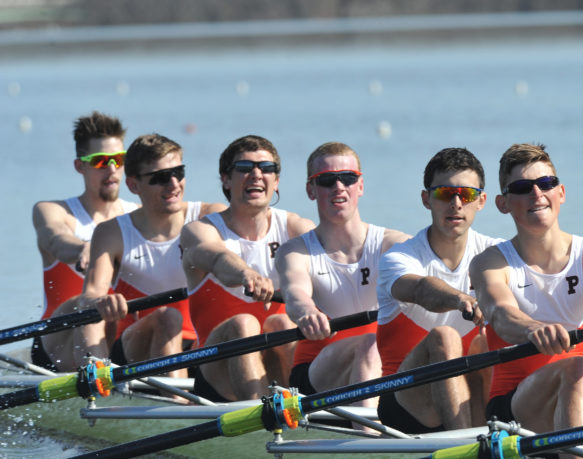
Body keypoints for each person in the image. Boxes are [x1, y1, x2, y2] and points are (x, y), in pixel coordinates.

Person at [471, 143, 583, 459]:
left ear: (561, 192)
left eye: (546, 184)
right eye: (522, 188)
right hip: (516, 411)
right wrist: (534, 328)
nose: (537, 194)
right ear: (503, 203)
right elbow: (500, 313)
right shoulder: (491, 262)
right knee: (578, 367)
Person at [74, 133, 225, 373]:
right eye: (161, 177)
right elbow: (90, 295)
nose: (174, 184)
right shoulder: (112, 233)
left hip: (200, 345)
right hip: (137, 348)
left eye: (179, 173)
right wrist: (102, 301)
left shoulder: (212, 217)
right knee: (169, 318)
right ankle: (176, 404)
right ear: (133, 185)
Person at [181, 135, 314, 402]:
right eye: (244, 168)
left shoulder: (297, 228)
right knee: (245, 324)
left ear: (276, 181)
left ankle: (301, 412)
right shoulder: (200, 230)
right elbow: (217, 258)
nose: (256, 174)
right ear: (226, 179)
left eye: (266, 168)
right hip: (216, 368)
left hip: (279, 358)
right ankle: (263, 418)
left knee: (281, 323)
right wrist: (246, 274)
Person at [374, 147, 498, 433]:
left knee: (486, 343)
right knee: (445, 336)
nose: (456, 203)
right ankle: (464, 448)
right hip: (406, 403)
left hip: (472, 396)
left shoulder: (496, 255)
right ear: (426, 199)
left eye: (466, 195)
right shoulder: (400, 258)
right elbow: (420, 290)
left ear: (481, 201)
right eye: (444, 193)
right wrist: (460, 298)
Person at [277, 142, 408, 404]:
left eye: (347, 178)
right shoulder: (296, 251)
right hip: (318, 371)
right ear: (310, 190)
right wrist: (307, 312)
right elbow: (295, 295)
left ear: (360, 186)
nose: (338, 186)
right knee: (369, 344)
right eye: (326, 180)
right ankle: (370, 440)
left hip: (382, 365)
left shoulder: (394, 245)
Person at [31, 111, 138, 370]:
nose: (112, 169)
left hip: (119, 335)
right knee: (89, 303)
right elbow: (55, 239)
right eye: (101, 161)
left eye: (118, 159)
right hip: (57, 342)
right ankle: (100, 385)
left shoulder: (137, 215)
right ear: (81, 166)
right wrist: (85, 249)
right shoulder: (54, 211)